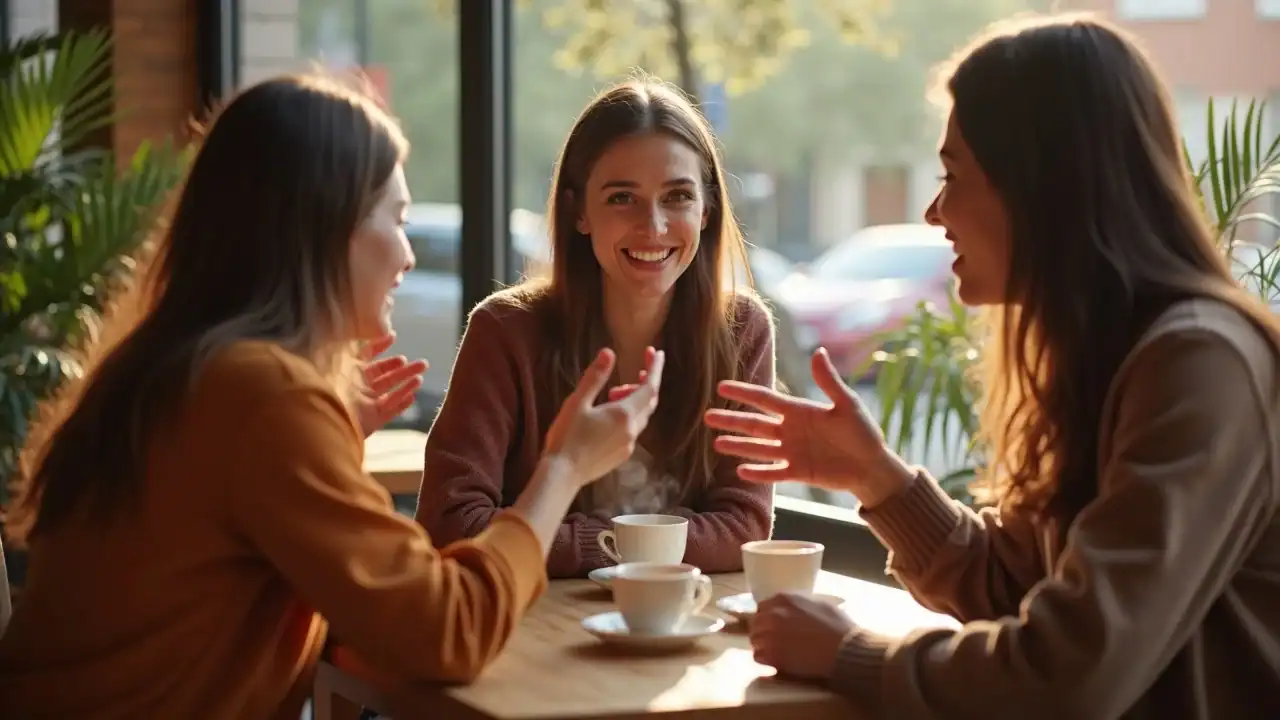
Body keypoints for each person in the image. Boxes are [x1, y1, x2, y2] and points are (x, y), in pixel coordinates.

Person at [0, 73, 666, 719]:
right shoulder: (261, 397)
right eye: (396, 219)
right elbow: (450, 631)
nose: (408, 256)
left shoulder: (178, 370)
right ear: (323, 228)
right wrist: (564, 467)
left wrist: (330, 442)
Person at [705, 13, 1280, 719]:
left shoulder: (1199, 363)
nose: (934, 211)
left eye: (952, 176)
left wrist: (849, 653)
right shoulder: (1104, 356)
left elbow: (1071, 675)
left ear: (1040, 186)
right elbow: (1013, 587)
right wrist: (875, 477)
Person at [415, 78, 776, 578]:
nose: (653, 226)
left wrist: (569, 542)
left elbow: (744, 528)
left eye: (677, 196)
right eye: (622, 198)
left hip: (684, 619)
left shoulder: (742, 331)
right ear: (579, 211)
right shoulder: (504, 331)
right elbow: (451, 523)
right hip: (532, 619)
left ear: (706, 210)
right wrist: (619, 547)